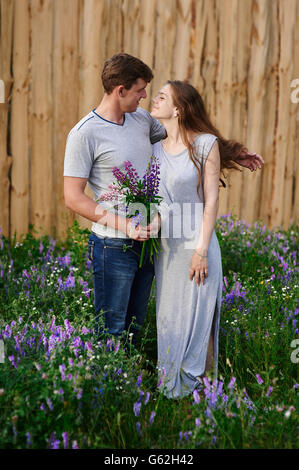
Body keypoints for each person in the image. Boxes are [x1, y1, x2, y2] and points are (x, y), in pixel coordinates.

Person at [64, 52, 263, 347]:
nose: (145, 96)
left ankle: (132, 385)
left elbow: (186, 138)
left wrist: (232, 153)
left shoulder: (141, 119)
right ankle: (109, 389)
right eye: (140, 90)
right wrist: (126, 226)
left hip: (148, 244)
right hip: (112, 245)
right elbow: (73, 198)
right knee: (111, 329)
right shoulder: (84, 134)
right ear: (121, 91)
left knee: (136, 326)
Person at [150, 80, 263, 399]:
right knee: (169, 317)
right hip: (168, 249)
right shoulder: (155, 147)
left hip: (198, 244)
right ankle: (175, 394)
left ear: (179, 109)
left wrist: (200, 251)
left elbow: (211, 201)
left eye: (162, 96)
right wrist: (150, 224)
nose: (154, 100)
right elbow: (159, 200)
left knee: (201, 320)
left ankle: (206, 395)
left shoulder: (205, 145)